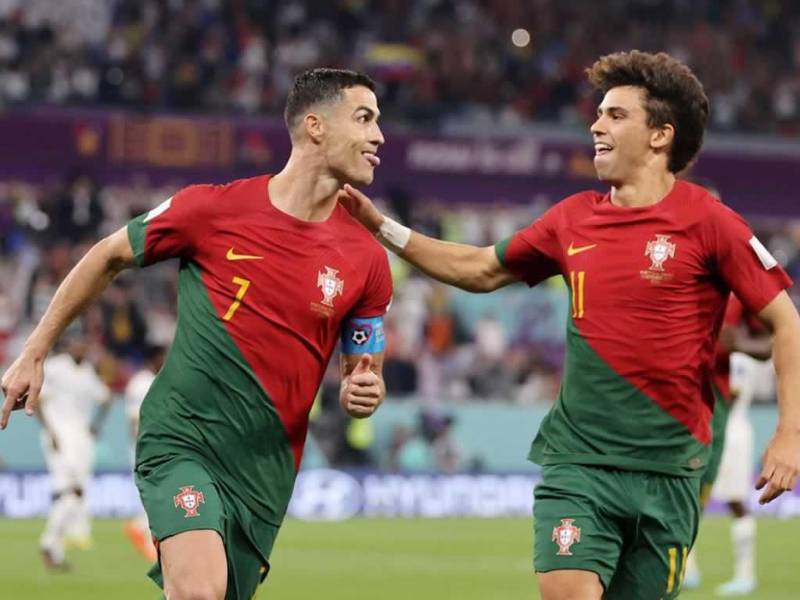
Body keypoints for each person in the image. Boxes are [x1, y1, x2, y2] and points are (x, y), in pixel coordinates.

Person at [339, 50, 800, 599]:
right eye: (599, 113)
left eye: (615, 115)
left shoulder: (712, 223)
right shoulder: (573, 218)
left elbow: (784, 321)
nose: (596, 125)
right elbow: (480, 269)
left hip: (671, 471)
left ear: (660, 135)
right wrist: (380, 226)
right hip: (577, 464)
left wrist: (790, 434)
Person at [1, 68, 392, 600]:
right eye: (364, 119)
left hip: (266, 469)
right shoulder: (213, 209)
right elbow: (108, 255)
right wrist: (34, 351)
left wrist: (364, 390)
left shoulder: (367, 259)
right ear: (316, 127)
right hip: (182, 438)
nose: (379, 137)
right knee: (198, 593)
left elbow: (363, 370)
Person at [685, 295, 772, 595]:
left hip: (732, 426)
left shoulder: (740, 330)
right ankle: (687, 567)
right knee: (689, 497)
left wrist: (740, 344)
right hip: (698, 416)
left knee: (735, 500)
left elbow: (772, 342)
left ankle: (746, 574)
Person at [37, 332, 111, 570]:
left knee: (75, 492)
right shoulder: (56, 368)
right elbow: (38, 399)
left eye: (83, 344)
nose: (80, 348)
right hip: (60, 434)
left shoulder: (88, 372)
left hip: (81, 437)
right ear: (69, 346)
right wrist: (50, 431)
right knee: (69, 490)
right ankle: (49, 543)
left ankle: (52, 547)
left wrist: (95, 426)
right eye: (77, 344)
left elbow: (106, 399)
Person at [123, 343, 166, 562]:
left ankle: (147, 534)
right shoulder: (142, 383)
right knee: (152, 494)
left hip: (155, 446)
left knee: (159, 495)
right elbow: (134, 419)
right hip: (145, 447)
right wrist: (143, 448)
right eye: (163, 357)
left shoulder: (154, 380)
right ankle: (140, 529)